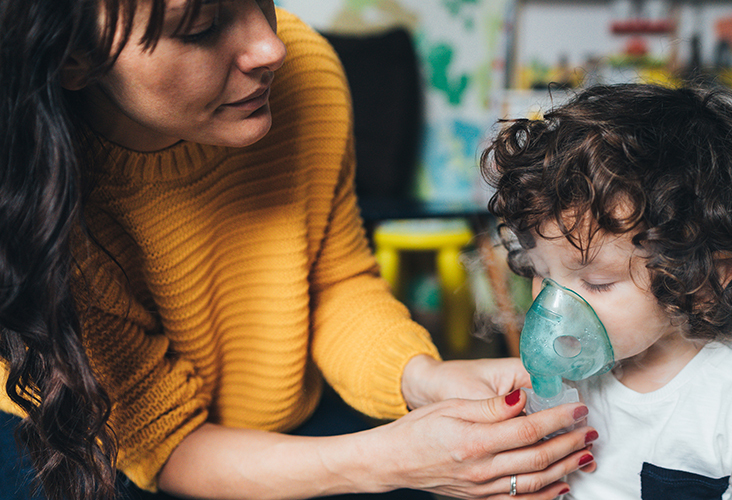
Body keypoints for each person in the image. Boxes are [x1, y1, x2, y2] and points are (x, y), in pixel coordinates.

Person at [0, 1, 599, 499]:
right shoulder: (33, 200)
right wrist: (385, 460)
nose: (271, 46)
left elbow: (333, 282)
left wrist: (423, 379)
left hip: (285, 417)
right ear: (73, 59)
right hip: (78, 449)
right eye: (201, 28)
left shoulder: (304, 71)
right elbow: (167, 444)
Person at [480, 83, 732, 499]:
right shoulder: (568, 380)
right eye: (542, 273)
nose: (554, 309)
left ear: (701, 278)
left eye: (597, 282)